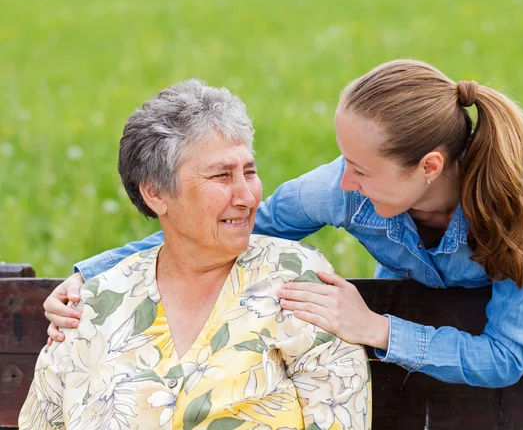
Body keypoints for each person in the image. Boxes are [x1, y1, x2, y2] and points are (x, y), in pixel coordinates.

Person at [43, 59, 523, 389]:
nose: (344, 182)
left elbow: (505, 357)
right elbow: (223, 229)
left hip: (515, 345)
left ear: (429, 167)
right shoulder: (338, 188)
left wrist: (374, 328)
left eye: (361, 170)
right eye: (345, 162)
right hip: (408, 320)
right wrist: (95, 274)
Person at [20, 80, 371, 430]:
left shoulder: (295, 278)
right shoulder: (96, 304)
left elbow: (342, 417)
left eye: (249, 172)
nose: (247, 197)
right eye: (222, 176)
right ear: (156, 194)